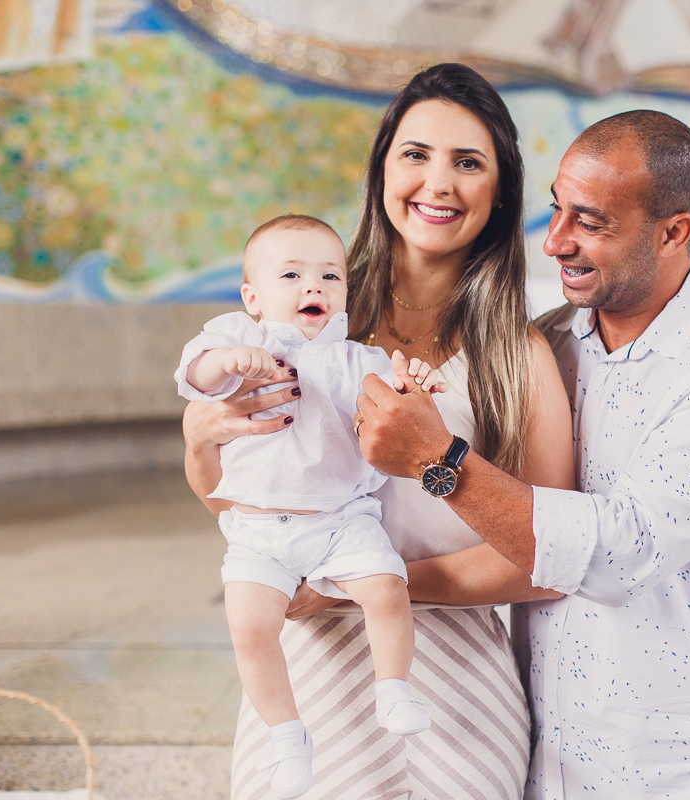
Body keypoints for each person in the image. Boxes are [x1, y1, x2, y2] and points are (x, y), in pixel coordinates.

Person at [354, 110, 690, 800]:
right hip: (545, 770)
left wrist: (437, 461)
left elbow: (621, 552)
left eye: (590, 223)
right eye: (556, 211)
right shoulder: (549, 342)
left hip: (681, 776)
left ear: (674, 231)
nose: (556, 241)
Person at [182, 63, 575, 800]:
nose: (439, 182)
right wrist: (201, 443)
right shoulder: (303, 317)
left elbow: (550, 555)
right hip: (309, 668)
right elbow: (232, 501)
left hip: (456, 675)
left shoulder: (518, 355)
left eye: (469, 162)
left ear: (500, 189)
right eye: (416, 154)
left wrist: (367, 589)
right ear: (382, 168)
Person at [176, 215, 447, 798]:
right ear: (253, 295)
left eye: (330, 276)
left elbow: (395, 402)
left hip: (340, 520)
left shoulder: (360, 359)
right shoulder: (236, 338)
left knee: (386, 587)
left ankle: (393, 686)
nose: (313, 288)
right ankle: (286, 736)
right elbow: (193, 372)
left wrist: (413, 384)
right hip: (256, 527)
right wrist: (228, 364)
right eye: (292, 274)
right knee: (249, 627)